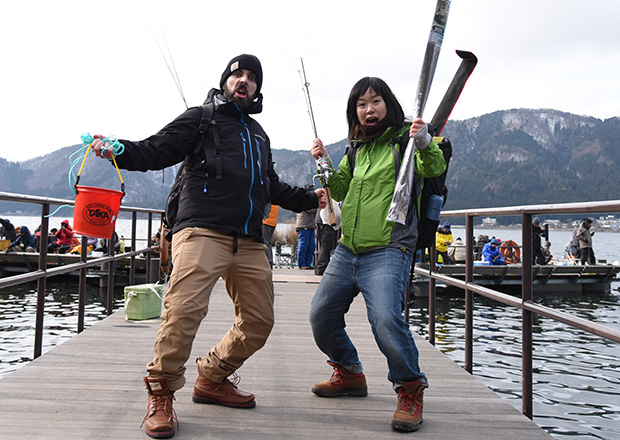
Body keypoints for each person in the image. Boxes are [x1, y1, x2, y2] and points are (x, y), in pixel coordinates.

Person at [91, 54, 326, 439]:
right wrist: (119, 150)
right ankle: (161, 391)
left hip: (250, 239)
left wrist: (309, 197)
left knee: (259, 322)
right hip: (201, 229)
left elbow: (270, 187)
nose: (244, 81)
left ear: (257, 90)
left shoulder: (259, 135)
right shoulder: (201, 116)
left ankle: (212, 376)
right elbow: (156, 150)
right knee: (184, 309)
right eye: (238, 75)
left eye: (252, 77)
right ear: (226, 82)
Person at [308, 77, 446, 433]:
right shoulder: (357, 148)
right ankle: (350, 372)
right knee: (320, 316)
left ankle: (410, 387)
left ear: (389, 104)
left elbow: (435, 167)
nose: (369, 110)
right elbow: (340, 187)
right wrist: (324, 163)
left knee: (385, 319)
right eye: (361, 104)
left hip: (389, 248)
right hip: (347, 247)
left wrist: (426, 141)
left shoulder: (405, 140)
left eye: (376, 101)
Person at [314, 203, 340, 276]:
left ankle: (320, 267)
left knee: (323, 246)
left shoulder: (324, 193)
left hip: (320, 219)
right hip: (328, 220)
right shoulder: (331, 194)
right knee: (326, 246)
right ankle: (321, 268)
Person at [295, 200, 317, 269]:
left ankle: (308, 264)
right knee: (303, 246)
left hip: (311, 226)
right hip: (303, 226)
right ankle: (301, 264)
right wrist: (319, 205)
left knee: (311, 246)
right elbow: (310, 210)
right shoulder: (303, 200)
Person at [262, 204, 279, 269]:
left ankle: (267, 262)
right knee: (269, 242)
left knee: (265, 242)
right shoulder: (276, 200)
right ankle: (270, 261)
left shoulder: (269, 199)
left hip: (266, 221)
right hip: (273, 222)